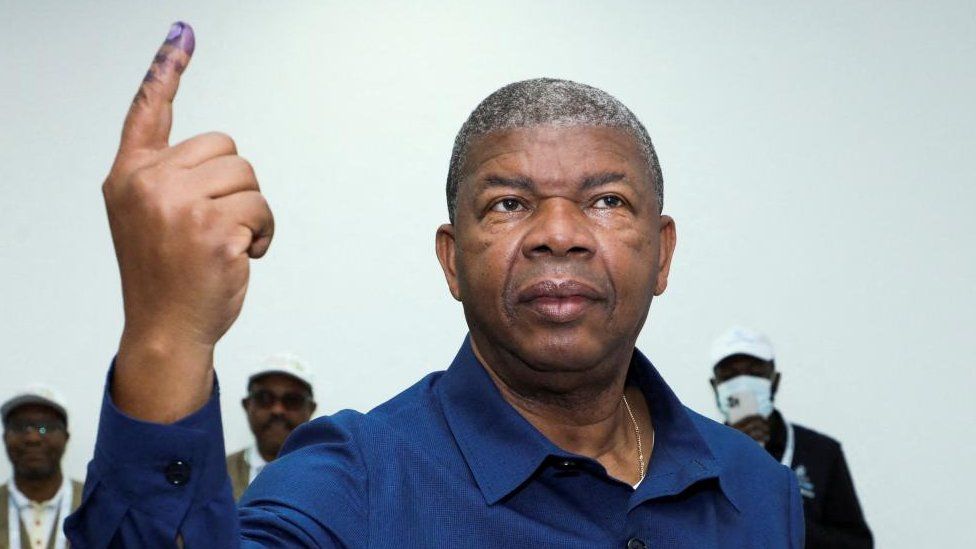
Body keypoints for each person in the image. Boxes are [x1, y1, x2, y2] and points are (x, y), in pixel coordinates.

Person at [65, 22, 804, 547]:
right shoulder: (353, 477)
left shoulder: (757, 489)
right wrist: (167, 333)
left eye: (606, 200)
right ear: (452, 260)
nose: (558, 231)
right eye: (508, 204)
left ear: (663, 255)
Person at [710, 326, 873, 548]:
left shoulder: (821, 453)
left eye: (754, 372)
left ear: (774, 381)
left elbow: (857, 544)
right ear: (715, 386)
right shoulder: (701, 454)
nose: (742, 384)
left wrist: (787, 520)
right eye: (730, 375)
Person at [226, 354, 316, 501]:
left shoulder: (329, 477)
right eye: (264, 398)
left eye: (292, 400)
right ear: (247, 405)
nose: (277, 410)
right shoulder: (215, 476)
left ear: (311, 409)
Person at [2, 385, 83, 549]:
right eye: (20, 427)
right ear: (4, 438)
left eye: (45, 427)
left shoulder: (94, 505)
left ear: (66, 437)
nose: (33, 438)